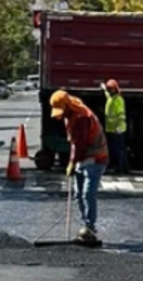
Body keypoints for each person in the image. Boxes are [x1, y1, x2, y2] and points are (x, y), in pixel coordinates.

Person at [49, 90, 109, 243]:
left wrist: (72, 162)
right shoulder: (69, 115)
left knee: (88, 194)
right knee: (78, 194)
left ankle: (90, 227)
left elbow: (80, 144)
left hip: (96, 156)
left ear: (68, 106)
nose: (59, 115)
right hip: (83, 156)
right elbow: (74, 143)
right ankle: (86, 226)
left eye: (61, 111)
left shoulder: (81, 117)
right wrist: (72, 160)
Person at [101, 79, 128, 174]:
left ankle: (121, 169)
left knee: (119, 150)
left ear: (116, 89)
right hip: (111, 129)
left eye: (111, 89)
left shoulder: (118, 100)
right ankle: (120, 167)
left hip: (117, 130)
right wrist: (103, 88)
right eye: (108, 89)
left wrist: (119, 128)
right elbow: (107, 96)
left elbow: (121, 115)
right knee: (115, 149)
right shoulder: (111, 98)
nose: (109, 90)